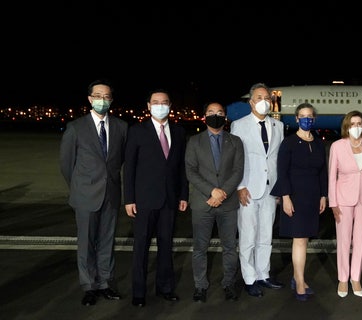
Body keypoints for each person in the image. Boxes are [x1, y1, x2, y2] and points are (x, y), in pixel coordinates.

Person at [59, 79, 128, 306]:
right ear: (89, 99)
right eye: (97, 96)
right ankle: (89, 286)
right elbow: (67, 165)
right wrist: (80, 188)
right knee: (86, 244)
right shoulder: (75, 128)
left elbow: (121, 161)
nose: (102, 100)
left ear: (111, 100)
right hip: (85, 196)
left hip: (111, 195)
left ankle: (106, 283)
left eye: (106, 96)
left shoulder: (121, 127)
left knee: (107, 242)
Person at [123, 88, 189, 307]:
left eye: (165, 102)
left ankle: (165, 287)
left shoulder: (179, 132)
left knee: (165, 246)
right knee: (140, 248)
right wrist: (129, 198)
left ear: (170, 105)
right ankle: (139, 292)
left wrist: (183, 195)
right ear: (149, 106)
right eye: (156, 102)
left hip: (169, 201)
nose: (161, 105)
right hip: (144, 200)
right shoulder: (137, 131)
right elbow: (129, 168)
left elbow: (180, 168)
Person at [185, 102, 244, 303]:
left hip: (227, 204)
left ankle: (229, 283)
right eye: (211, 112)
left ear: (225, 117)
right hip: (203, 203)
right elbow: (191, 171)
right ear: (204, 116)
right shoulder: (194, 141)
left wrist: (222, 193)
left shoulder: (235, 141)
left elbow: (238, 171)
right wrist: (212, 191)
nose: (215, 115)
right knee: (200, 247)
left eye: (219, 112)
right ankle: (200, 285)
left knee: (229, 246)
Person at [230, 83, 285, 297]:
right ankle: (249, 277)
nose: (265, 101)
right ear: (251, 102)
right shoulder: (239, 125)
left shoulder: (278, 126)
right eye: (260, 97)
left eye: (267, 98)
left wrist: (280, 188)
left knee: (266, 235)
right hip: (249, 189)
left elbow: (277, 159)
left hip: (271, 190)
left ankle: (264, 273)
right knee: (248, 236)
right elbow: (236, 159)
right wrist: (240, 186)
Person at [270, 103, 328, 302]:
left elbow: (323, 172)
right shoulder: (289, 143)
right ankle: (300, 281)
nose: (306, 119)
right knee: (300, 239)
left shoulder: (319, 143)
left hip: (313, 197)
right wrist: (285, 197)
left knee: (305, 239)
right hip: (295, 196)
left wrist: (323, 195)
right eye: (302, 116)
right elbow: (282, 172)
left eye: (310, 116)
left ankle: (297, 277)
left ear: (314, 118)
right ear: (296, 119)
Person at [328, 110, 362, 298]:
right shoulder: (337, 146)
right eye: (352, 124)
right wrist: (333, 203)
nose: (356, 127)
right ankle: (343, 278)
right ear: (346, 127)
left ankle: (355, 277)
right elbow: (332, 176)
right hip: (343, 200)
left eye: (359, 124)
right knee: (343, 241)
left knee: (360, 240)